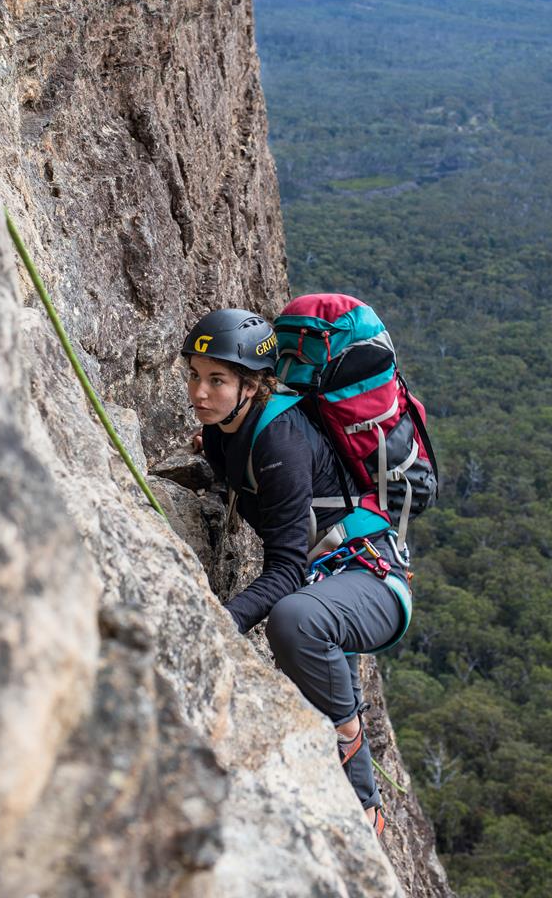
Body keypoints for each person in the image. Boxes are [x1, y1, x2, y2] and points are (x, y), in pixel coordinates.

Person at [182, 308, 413, 834]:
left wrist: (221, 620)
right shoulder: (222, 430)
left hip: (371, 577)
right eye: (194, 375)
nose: (199, 392)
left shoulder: (280, 440)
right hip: (330, 580)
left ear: (252, 385)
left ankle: (348, 740)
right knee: (307, 622)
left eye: (217, 380)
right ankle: (367, 814)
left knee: (294, 619)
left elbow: (286, 570)